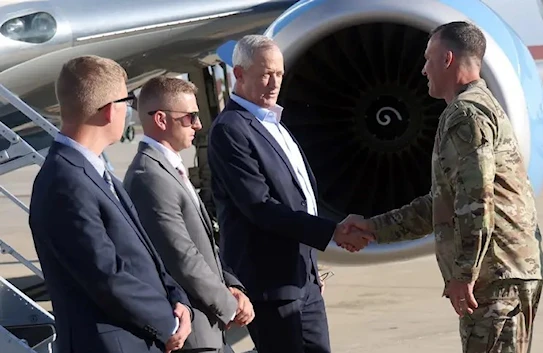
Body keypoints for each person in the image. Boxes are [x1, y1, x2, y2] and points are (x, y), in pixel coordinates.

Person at [345, 21, 543, 353]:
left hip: (494, 278)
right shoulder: (478, 107)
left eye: (428, 59)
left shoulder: (466, 115)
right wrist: (373, 228)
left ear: (448, 59)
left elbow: (475, 203)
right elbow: (446, 202)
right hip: (504, 272)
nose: (424, 69)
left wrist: (464, 274)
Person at [207, 34, 373, 353]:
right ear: (238, 75)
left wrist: (311, 267)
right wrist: (333, 232)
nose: (274, 83)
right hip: (271, 287)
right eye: (265, 74)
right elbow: (260, 207)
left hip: (303, 281)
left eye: (279, 74)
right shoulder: (231, 130)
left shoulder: (274, 124)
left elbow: (299, 199)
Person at [28, 55, 193, 353]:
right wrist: (168, 323)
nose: (129, 110)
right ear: (107, 112)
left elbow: (143, 255)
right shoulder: (65, 182)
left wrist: (176, 297)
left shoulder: (94, 172)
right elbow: (105, 276)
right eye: (127, 101)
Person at [123, 76, 254, 353]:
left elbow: (202, 244)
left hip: (208, 330)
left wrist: (232, 285)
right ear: (161, 120)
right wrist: (230, 307)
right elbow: (182, 257)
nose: (198, 124)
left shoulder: (168, 169)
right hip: (193, 336)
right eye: (189, 117)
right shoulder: (150, 176)